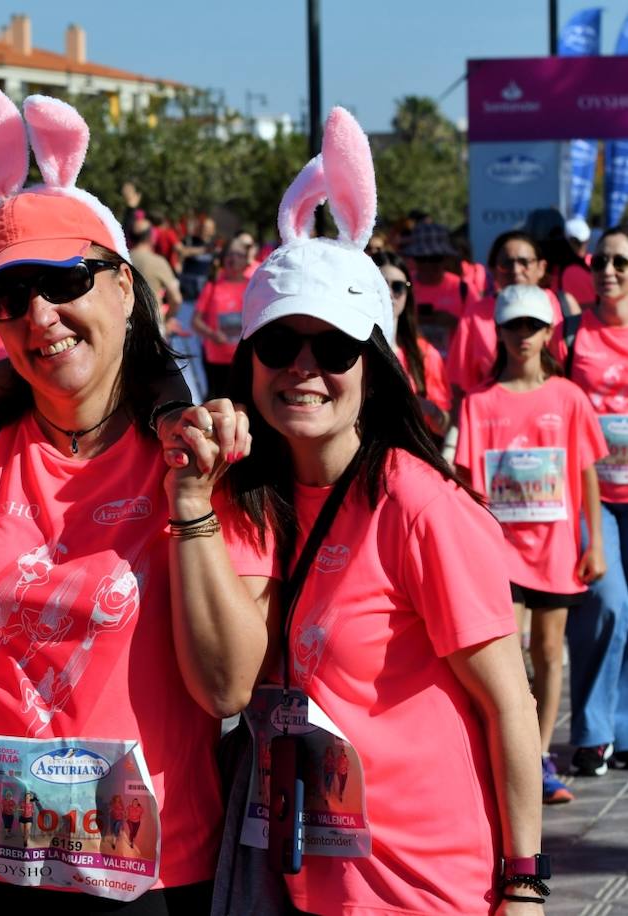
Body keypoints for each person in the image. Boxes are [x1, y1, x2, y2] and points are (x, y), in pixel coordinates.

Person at [166, 108, 544, 914]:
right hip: (305, 879)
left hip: (429, 884)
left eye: (333, 349)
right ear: (249, 359)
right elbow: (224, 685)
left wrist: (526, 883)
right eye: (279, 345)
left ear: (372, 365)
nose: (304, 369)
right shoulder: (249, 497)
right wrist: (195, 497)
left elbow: (509, 701)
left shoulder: (417, 502)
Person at [0, 88, 240, 913]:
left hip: (145, 871)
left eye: (64, 279)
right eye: (8, 297)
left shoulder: (195, 453)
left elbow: (229, 687)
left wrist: (167, 404)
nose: (40, 314)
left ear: (126, 288)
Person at [455, 283, 607, 805]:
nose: (523, 336)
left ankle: (539, 756)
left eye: (533, 326)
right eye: (513, 325)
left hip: (558, 550)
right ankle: (508, 749)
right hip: (500, 553)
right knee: (509, 651)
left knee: (548, 651)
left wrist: (595, 544)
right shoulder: (478, 402)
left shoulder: (569, 397)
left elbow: (586, 471)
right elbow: (466, 479)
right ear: (497, 331)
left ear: (549, 333)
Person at [555, 227, 628, 776]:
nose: (608, 270)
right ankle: (592, 731)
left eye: (620, 262)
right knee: (604, 602)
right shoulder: (573, 333)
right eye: (600, 260)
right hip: (590, 494)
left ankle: (621, 733)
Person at [448, 232, 573, 398]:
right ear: (492, 270)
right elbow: (460, 383)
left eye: (524, 262)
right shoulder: (475, 315)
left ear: (541, 267)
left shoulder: (559, 304)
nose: (516, 270)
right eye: (506, 263)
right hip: (493, 415)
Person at [375, 252, 451, 437]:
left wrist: (428, 409)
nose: (390, 294)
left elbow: (444, 426)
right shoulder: (348, 348)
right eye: (381, 285)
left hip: (408, 459)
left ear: (408, 294)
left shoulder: (425, 354)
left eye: (398, 287)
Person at [192, 235, 253, 397]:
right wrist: (212, 334)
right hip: (215, 360)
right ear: (223, 258)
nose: (233, 259)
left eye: (239, 254)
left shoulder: (252, 286)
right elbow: (195, 321)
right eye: (229, 254)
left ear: (246, 260)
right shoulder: (212, 286)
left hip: (244, 359)